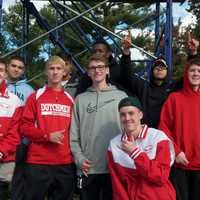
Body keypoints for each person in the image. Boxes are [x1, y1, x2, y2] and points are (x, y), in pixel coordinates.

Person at [70, 54, 127, 200]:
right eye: (93, 68)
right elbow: (73, 134)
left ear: (107, 70)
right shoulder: (80, 99)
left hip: (115, 166)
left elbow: (130, 129)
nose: (97, 71)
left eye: (101, 67)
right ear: (88, 72)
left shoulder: (121, 96)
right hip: (88, 167)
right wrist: (79, 158)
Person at [20, 56, 75, 200]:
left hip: (65, 163)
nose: (55, 72)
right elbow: (24, 127)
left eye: (58, 68)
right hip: (38, 162)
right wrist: (47, 136)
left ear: (64, 72)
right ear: (46, 72)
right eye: (51, 68)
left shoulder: (70, 100)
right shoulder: (35, 96)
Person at [108, 96, 175, 200]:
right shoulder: (114, 144)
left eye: (131, 113)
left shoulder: (159, 137)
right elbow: (118, 185)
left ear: (140, 115)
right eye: (123, 115)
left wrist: (136, 153)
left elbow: (161, 177)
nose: (127, 118)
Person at [159, 57, 200, 200]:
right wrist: (175, 152)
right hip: (180, 165)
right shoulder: (174, 98)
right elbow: (163, 129)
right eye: (192, 70)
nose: (196, 74)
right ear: (186, 74)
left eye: (199, 71)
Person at [0, 60, 22, 199]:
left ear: (6, 74)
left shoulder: (15, 101)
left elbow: (15, 133)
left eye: (1, 70)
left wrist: (1, 151)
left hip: (5, 157)